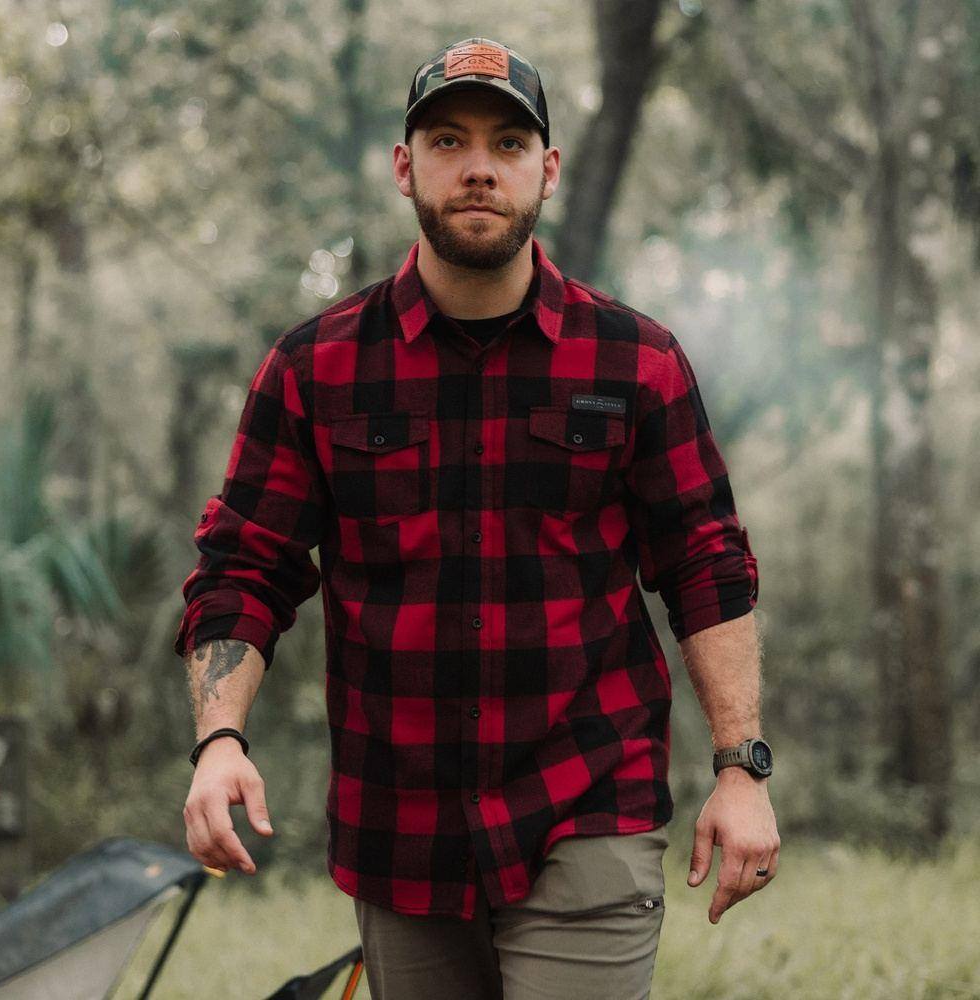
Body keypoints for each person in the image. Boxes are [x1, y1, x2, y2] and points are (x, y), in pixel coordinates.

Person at [175, 36, 779, 1000]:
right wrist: (219, 742)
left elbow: (706, 564)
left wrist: (741, 767)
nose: (479, 168)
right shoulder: (315, 368)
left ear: (547, 169)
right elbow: (244, 566)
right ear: (405, 166)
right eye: (449, 140)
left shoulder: (636, 362)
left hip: (590, 800)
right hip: (399, 830)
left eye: (507, 143)